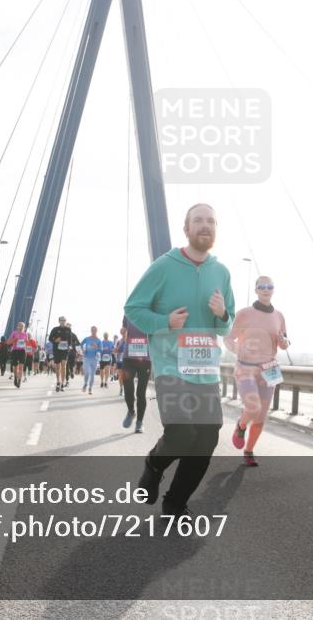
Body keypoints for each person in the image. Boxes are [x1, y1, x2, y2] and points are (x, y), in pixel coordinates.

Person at [125, 203, 234, 518]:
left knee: (207, 438)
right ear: (186, 229)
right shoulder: (164, 266)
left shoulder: (221, 272)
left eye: (211, 220)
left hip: (205, 371)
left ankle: (175, 502)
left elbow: (226, 326)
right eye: (198, 220)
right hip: (171, 367)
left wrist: (222, 314)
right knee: (182, 433)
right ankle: (154, 464)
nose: (205, 225)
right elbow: (133, 308)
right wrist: (165, 322)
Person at [224, 275, 289, 466]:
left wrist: (284, 341)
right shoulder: (244, 314)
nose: (266, 289)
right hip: (246, 367)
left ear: (273, 289)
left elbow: (285, 343)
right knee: (253, 407)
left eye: (269, 286)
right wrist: (237, 349)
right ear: (256, 290)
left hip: (270, 369)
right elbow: (228, 338)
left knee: (261, 416)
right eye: (262, 286)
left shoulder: (279, 316)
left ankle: (249, 450)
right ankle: (241, 425)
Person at [119, 317, 151, 433]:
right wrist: (123, 332)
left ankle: (139, 422)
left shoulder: (151, 311)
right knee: (127, 388)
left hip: (145, 358)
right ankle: (131, 411)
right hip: (129, 357)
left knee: (141, 393)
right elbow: (124, 330)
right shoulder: (128, 312)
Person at [48, 316, 71, 391]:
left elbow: (70, 340)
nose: (63, 321)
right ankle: (58, 381)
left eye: (64, 320)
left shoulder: (68, 329)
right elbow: (50, 338)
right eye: (61, 320)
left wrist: (69, 346)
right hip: (57, 350)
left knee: (64, 365)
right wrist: (55, 340)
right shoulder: (55, 329)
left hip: (65, 350)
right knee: (58, 366)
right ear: (59, 321)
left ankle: (63, 383)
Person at [81, 326, 100, 394]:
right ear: (91, 331)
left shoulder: (98, 340)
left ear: (96, 331)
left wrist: (96, 347)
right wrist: (83, 350)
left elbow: (101, 349)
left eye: (95, 330)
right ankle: (85, 383)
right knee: (87, 373)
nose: (93, 332)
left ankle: (90, 388)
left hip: (94, 359)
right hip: (86, 358)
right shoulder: (87, 339)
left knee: (92, 374)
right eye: (92, 330)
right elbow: (81, 344)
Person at [9, 322, 29, 388]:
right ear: (17, 327)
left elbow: (27, 342)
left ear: (24, 328)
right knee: (15, 367)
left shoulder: (25, 334)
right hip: (15, 350)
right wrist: (14, 339)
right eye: (19, 326)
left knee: (21, 367)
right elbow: (9, 341)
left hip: (22, 351)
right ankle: (15, 378)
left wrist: (26, 341)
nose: (20, 327)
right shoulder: (14, 333)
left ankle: (19, 381)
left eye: (22, 326)